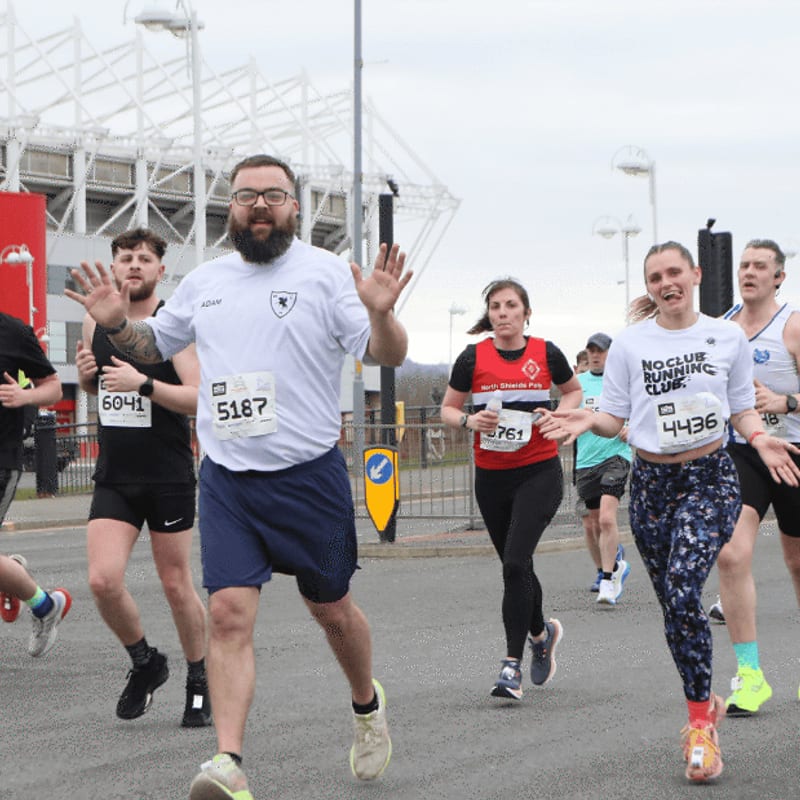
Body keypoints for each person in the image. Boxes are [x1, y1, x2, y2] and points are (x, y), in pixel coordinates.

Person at [66, 153, 412, 799]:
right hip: (228, 475)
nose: (258, 205)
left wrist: (382, 314)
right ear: (231, 206)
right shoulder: (206, 280)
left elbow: (386, 353)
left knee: (333, 611)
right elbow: (154, 348)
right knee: (226, 615)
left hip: (308, 476)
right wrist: (117, 324)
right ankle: (227, 761)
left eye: (272, 195)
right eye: (247, 195)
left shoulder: (326, 273)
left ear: (293, 207)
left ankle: (367, 707)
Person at [537, 241, 800, 783]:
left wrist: (760, 437)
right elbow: (614, 416)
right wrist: (589, 420)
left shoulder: (726, 336)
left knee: (684, 586)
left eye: (674, 272)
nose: (666, 282)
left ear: (696, 275)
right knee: (675, 610)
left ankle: (701, 730)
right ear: (650, 285)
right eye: (655, 276)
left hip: (710, 475)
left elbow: (742, 406)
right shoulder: (632, 343)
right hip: (653, 484)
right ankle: (702, 711)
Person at [74, 228, 209, 727]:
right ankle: (146, 662)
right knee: (102, 580)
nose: (134, 265)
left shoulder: (171, 325)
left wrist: (145, 384)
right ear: (113, 267)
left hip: (167, 474)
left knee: (176, 585)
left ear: (160, 271)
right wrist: (87, 375)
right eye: (126, 257)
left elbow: (199, 397)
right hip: (116, 474)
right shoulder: (95, 320)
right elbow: (94, 382)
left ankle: (200, 678)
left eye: (145, 259)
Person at [440, 278, 582, 701]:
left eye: (510, 306)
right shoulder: (473, 357)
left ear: (525, 312)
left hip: (538, 472)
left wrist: (557, 414)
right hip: (492, 476)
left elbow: (573, 393)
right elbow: (449, 408)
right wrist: (469, 421)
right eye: (496, 307)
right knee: (515, 567)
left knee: (516, 562)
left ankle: (511, 666)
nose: (503, 313)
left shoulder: (546, 352)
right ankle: (541, 634)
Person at [711, 239, 800, 716]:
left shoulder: (792, 326)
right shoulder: (721, 330)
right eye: (744, 265)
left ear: (778, 277)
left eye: (759, 266)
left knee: (797, 562)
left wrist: (786, 403)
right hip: (742, 452)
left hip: (794, 452)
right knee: (730, 553)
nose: (748, 272)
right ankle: (750, 675)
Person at [0, 312, 71, 655]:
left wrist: (23, 397)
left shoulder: (13, 332)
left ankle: (44, 605)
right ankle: (33, 595)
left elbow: (53, 388)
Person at [574, 332, 632, 605]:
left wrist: (630, 427)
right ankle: (606, 569)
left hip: (616, 456)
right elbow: (567, 409)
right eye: (591, 351)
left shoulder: (621, 381)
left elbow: (639, 409)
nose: (596, 355)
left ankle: (609, 580)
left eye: (601, 350)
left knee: (607, 519)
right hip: (586, 460)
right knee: (593, 523)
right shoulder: (578, 384)